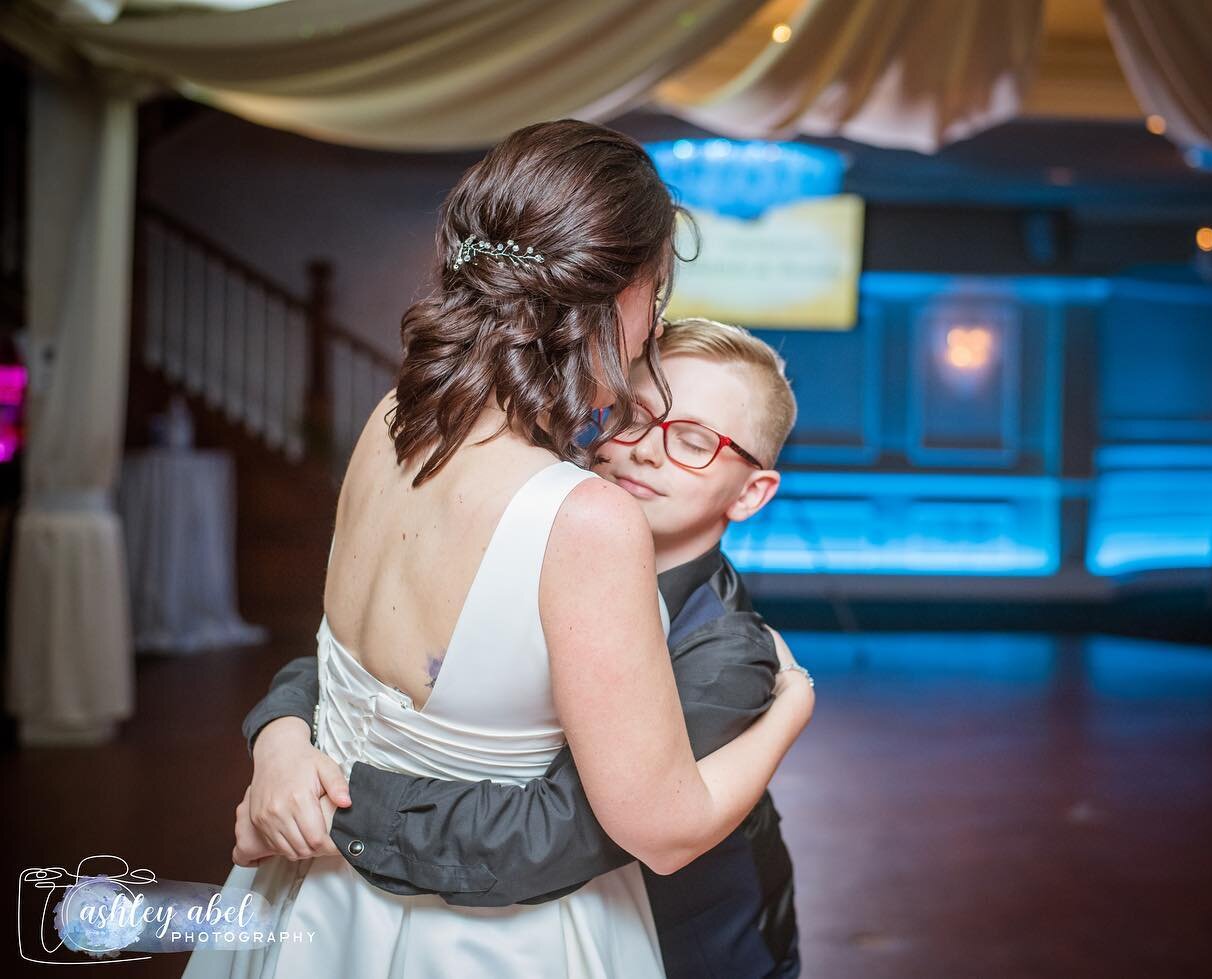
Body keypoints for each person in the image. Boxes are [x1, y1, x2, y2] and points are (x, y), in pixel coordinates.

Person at [182, 121, 814, 979]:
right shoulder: (584, 520)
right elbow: (660, 826)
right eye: (656, 295)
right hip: (485, 939)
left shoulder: (392, 422)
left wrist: (283, 747)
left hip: (314, 905)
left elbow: (363, 674)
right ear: (619, 293)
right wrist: (791, 712)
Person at [236, 318, 806, 977]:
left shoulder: (725, 652)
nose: (647, 449)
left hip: (695, 951)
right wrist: (279, 739)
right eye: (635, 415)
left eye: (694, 440)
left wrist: (325, 817)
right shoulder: (545, 530)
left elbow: (552, 835)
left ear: (752, 492)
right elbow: (367, 667)